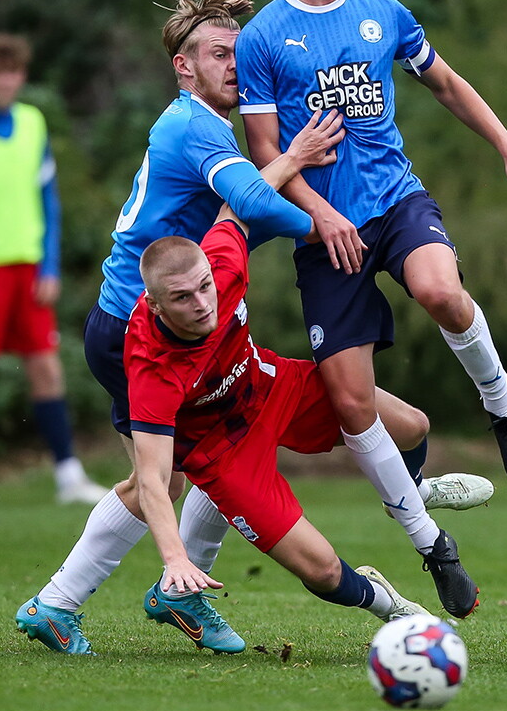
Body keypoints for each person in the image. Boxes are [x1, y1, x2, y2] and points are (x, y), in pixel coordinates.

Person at [15, 0, 484, 657]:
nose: (234, 66)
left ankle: (404, 492)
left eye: (238, 54)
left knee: (197, 458)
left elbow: (240, 222)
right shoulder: (193, 126)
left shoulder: (212, 127)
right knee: (175, 471)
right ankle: (86, 599)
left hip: (195, 318)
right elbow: (250, 203)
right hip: (144, 330)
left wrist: (327, 205)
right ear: (184, 67)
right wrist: (330, 218)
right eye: (218, 55)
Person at [236, 0, 507, 495]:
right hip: (323, 229)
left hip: (395, 199)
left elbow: (447, 85)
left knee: (441, 292)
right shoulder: (262, 36)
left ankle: (501, 404)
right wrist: (321, 214)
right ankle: (424, 528)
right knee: (353, 404)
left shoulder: (384, 14)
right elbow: (265, 151)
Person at [125, 204, 478, 646]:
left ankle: (412, 493)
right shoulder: (152, 367)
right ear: (155, 305)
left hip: (272, 386)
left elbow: (244, 197)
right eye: (182, 298)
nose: (202, 304)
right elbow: (152, 480)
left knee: (411, 427)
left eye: (204, 287)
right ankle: (390, 606)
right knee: (323, 570)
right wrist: (175, 560)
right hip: (224, 453)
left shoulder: (222, 262)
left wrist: (299, 171)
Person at [0, 33, 108, 506]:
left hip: (28, 268)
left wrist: (49, 265)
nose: (4, 81)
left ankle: (68, 474)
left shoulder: (33, 123)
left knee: (46, 368)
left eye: (12, 72)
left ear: (21, 77)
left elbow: (48, 200)